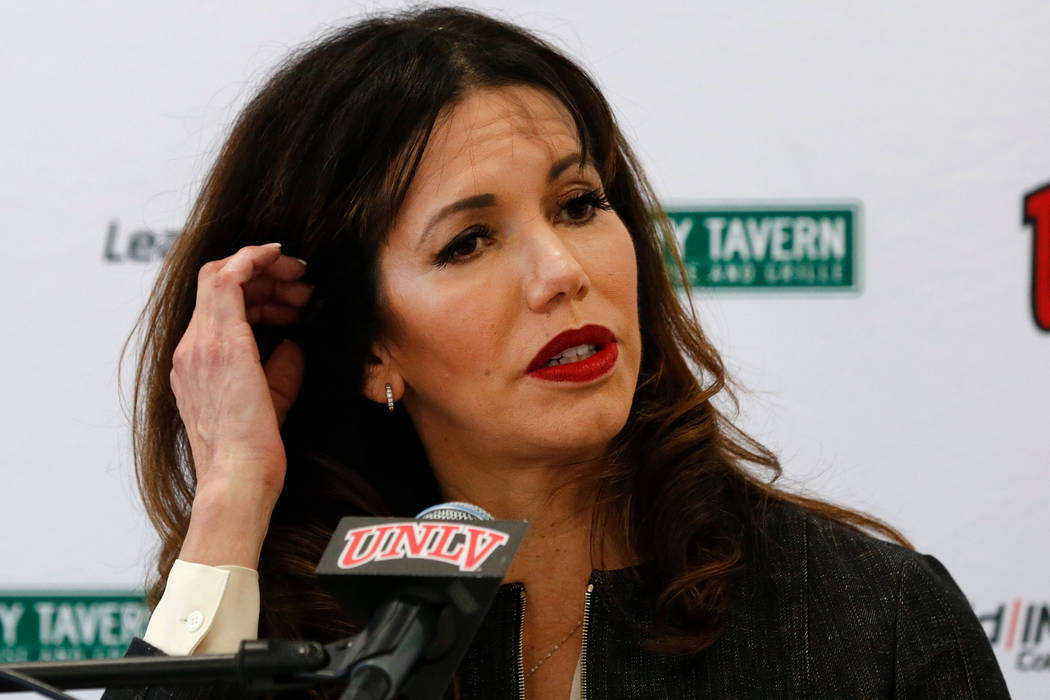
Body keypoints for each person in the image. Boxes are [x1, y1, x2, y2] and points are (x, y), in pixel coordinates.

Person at [116, 6, 1008, 699]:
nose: (561, 271)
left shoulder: (865, 619)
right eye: (468, 242)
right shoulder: (290, 637)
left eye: (579, 204)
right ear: (371, 348)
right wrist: (232, 494)